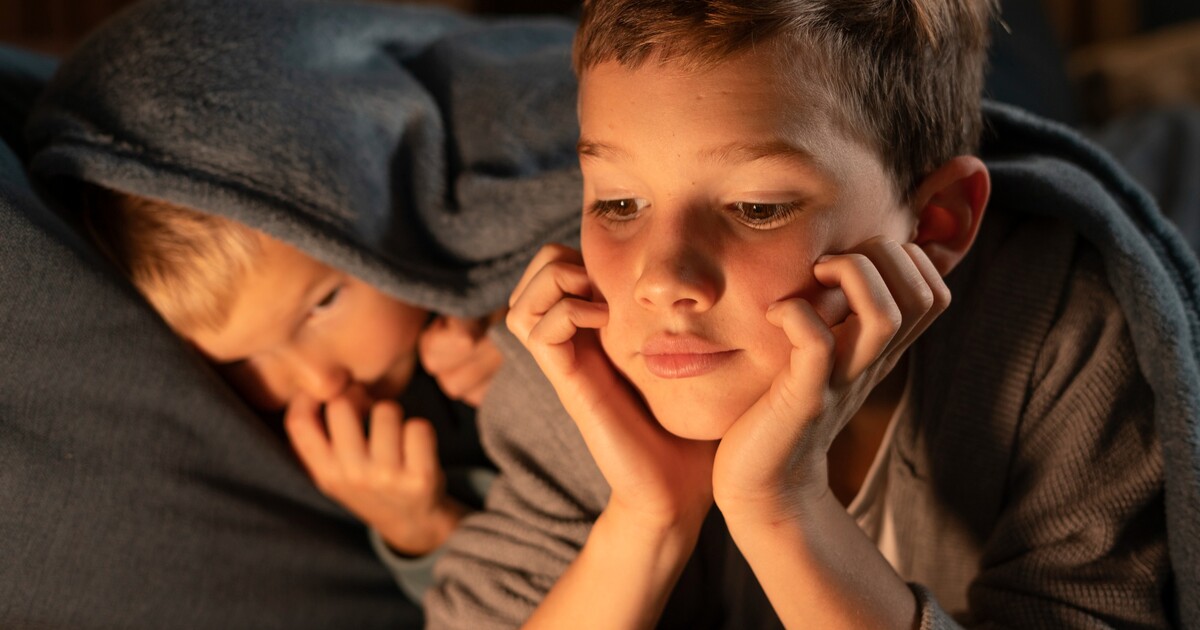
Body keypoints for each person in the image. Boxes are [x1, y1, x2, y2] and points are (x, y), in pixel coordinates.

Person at [426, 0, 1200, 628]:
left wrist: (780, 507)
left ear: (934, 225)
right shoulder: (582, 361)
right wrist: (645, 522)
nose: (660, 281)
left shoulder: (1060, 329)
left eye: (757, 207)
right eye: (620, 202)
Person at [80, 186, 500, 561]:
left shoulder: (486, 238)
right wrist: (421, 530)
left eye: (325, 303)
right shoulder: (338, 469)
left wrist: (525, 342)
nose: (320, 381)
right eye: (241, 363)